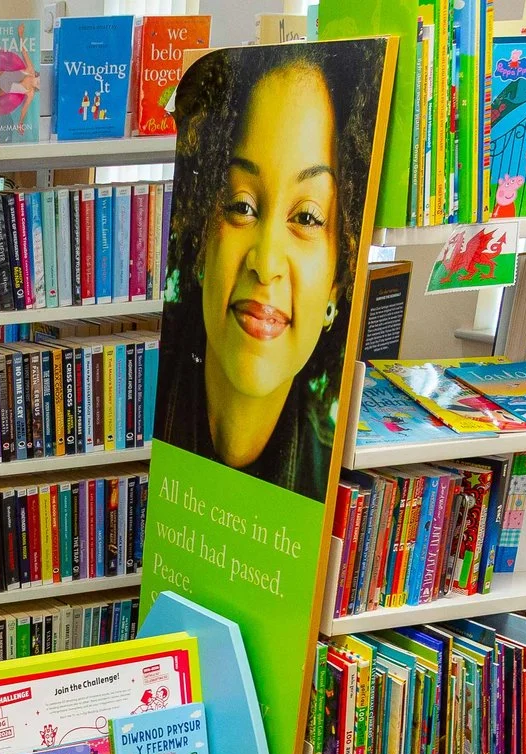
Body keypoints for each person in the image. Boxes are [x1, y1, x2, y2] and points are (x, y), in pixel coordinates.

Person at [155, 44, 385, 500]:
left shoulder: (330, 487)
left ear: (338, 281)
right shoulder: (140, 411)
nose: (265, 262)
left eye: (307, 218)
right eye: (242, 206)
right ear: (203, 236)